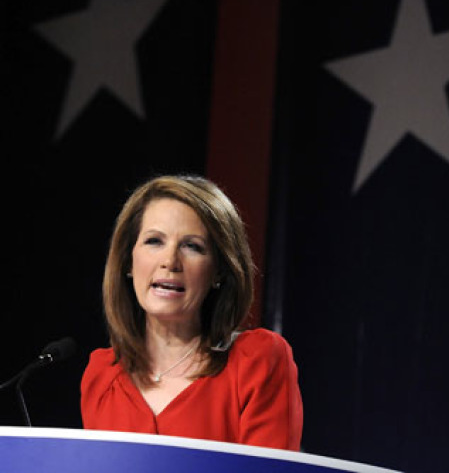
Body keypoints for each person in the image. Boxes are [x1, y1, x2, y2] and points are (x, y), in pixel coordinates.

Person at [81, 175, 303, 450]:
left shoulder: (257, 362)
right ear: (128, 261)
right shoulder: (102, 375)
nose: (170, 261)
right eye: (154, 241)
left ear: (219, 272)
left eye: (192, 246)